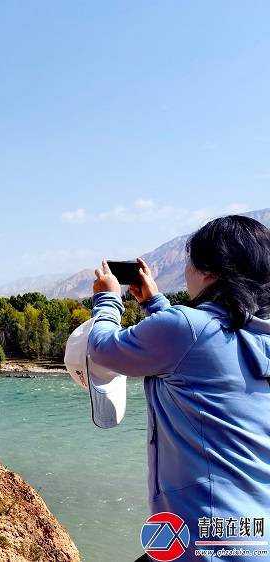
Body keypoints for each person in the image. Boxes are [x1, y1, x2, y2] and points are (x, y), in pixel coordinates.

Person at [88, 215, 270, 562]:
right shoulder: (257, 332)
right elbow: (202, 349)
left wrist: (108, 301)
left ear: (210, 270)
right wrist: (154, 305)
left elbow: (102, 348)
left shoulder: (187, 328)